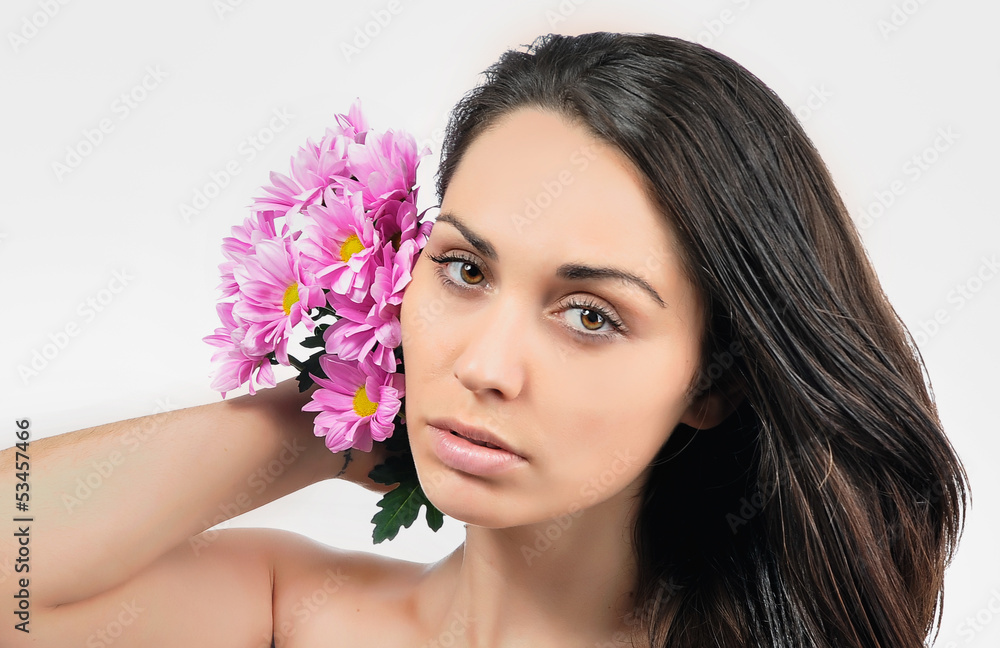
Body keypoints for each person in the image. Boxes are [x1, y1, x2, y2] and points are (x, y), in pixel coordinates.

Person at [0, 32, 968, 648]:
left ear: (711, 382)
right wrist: (318, 418)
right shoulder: (292, 614)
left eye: (590, 315)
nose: (483, 366)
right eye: (464, 270)